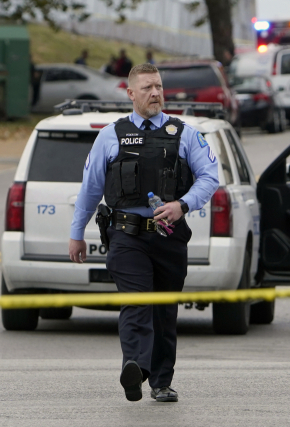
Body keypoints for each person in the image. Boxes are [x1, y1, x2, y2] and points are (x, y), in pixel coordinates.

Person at [68, 63, 219, 401]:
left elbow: (210, 176)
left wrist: (183, 204)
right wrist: (76, 232)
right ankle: (134, 367)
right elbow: (91, 189)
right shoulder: (110, 135)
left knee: (164, 312)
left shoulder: (184, 133)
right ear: (131, 94)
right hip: (126, 235)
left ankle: (160, 381)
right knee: (137, 304)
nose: (156, 93)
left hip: (169, 235)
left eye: (159, 87)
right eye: (148, 88)